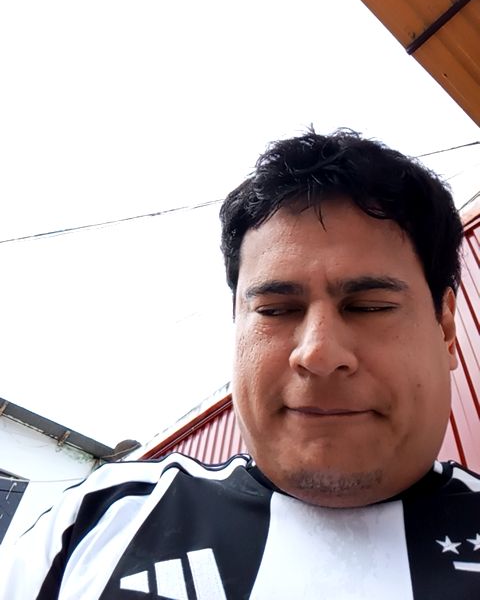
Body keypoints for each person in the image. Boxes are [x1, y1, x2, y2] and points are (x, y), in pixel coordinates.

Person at [1, 129, 478, 600]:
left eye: (369, 307)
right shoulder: (93, 525)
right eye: (275, 310)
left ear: (445, 328)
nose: (317, 353)